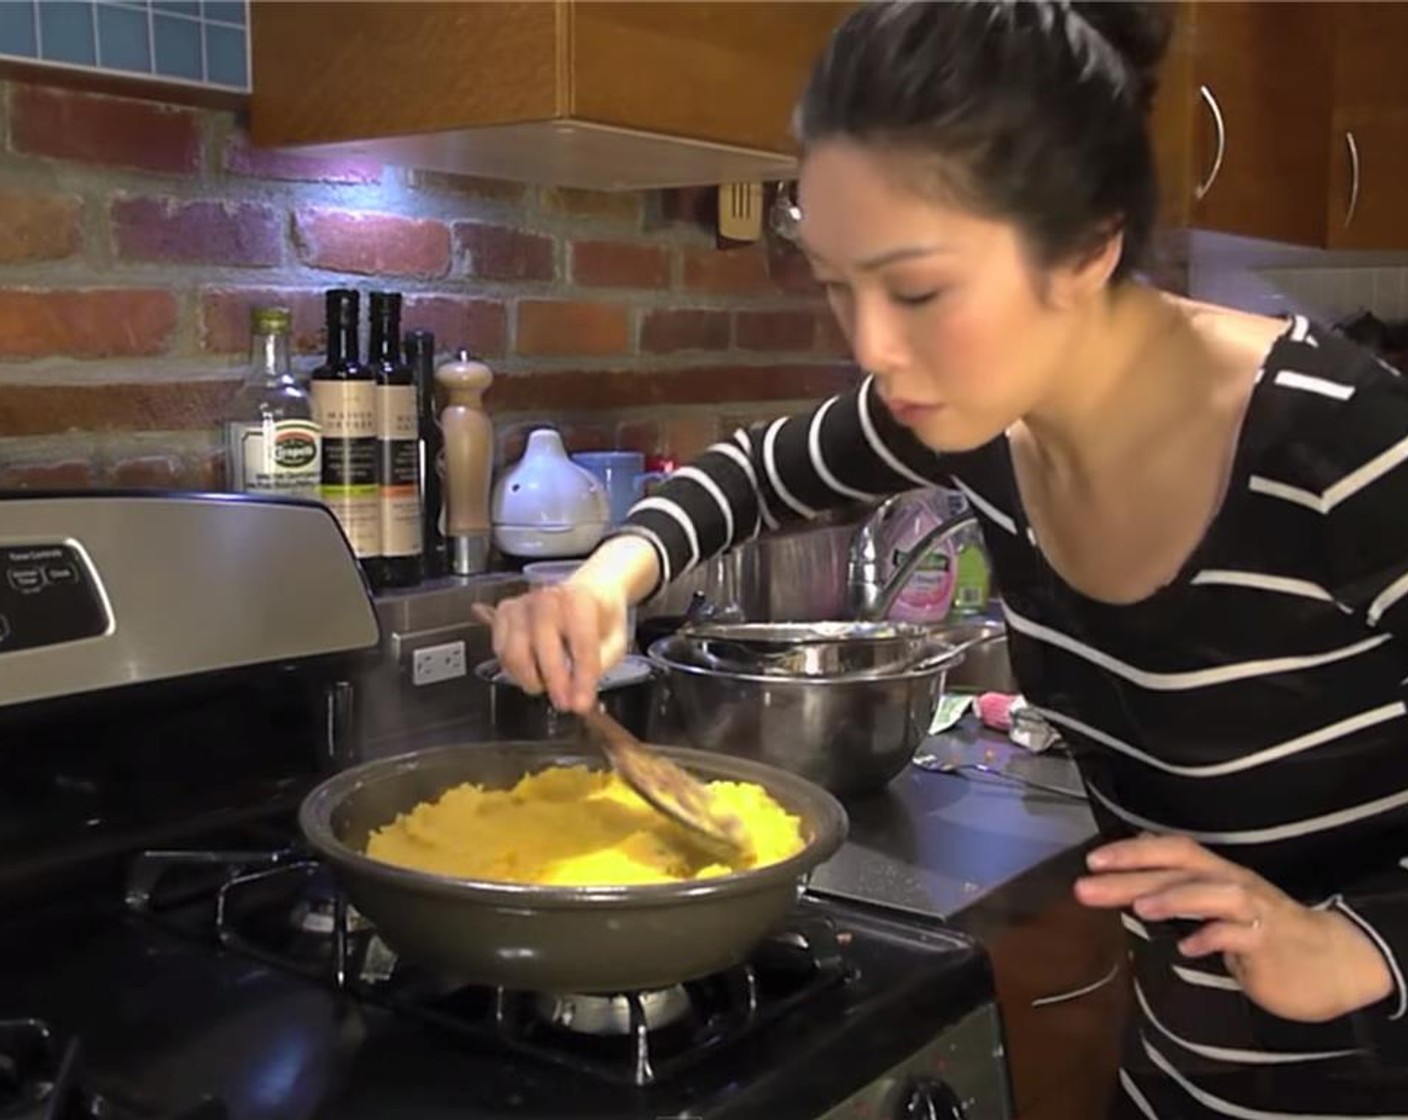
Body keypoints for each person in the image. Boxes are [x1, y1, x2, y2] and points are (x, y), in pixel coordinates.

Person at [486, 1, 1408, 1113]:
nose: (870, 346)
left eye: (918, 289)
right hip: (1177, 1083)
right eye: (835, 280)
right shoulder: (969, 411)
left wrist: (1361, 949)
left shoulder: (1341, 447)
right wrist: (604, 580)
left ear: (1087, 243)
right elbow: (751, 474)